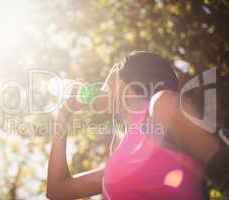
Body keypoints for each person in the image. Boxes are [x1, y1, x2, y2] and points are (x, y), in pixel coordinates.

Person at [46, 51, 220, 199]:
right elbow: (57, 189)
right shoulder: (122, 162)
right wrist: (63, 116)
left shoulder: (162, 106)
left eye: (112, 70)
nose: (101, 84)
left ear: (124, 79)